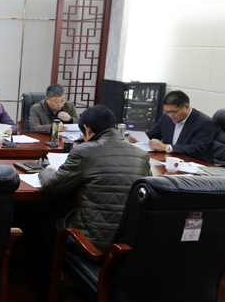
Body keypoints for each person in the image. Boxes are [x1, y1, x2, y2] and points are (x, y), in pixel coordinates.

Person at [39, 105, 151, 251]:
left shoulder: (83, 151)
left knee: (41, 217)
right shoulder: (142, 154)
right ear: (114, 126)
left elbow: (51, 186)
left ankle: (50, 265)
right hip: (130, 242)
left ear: (87, 129)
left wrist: (48, 170)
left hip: (92, 244)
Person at [127, 90, 217, 163]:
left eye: (173, 112)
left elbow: (196, 149)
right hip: (170, 162)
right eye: (167, 112)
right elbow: (152, 134)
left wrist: (166, 147)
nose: (170, 115)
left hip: (196, 166)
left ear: (186, 107)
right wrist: (137, 138)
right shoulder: (166, 118)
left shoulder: (204, 122)